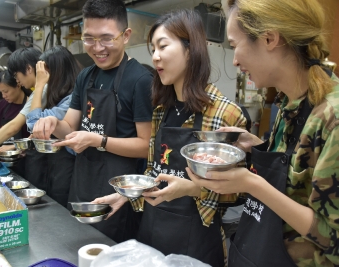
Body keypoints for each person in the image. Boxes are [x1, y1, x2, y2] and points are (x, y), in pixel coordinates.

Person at [188, 0, 339, 266]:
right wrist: (256, 144)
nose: (234, 61)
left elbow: (334, 237)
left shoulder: (332, 119)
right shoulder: (289, 102)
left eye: (235, 46)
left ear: (269, 38)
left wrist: (250, 183)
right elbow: (297, 177)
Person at [92, 9, 247, 266]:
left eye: (163, 46)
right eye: (152, 48)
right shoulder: (161, 110)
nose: (155, 56)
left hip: (196, 240)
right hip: (151, 232)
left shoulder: (225, 113)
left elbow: (238, 191)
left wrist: (193, 189)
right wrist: (128, 194)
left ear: (190, 49)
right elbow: (156, 169)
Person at [31, 0, 153, 243]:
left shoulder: (140, 79)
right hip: (83, 179)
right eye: (89, 39)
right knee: (76, 245)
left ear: (126, 35)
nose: (97, 48)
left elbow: (145, 146)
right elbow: (70, 127)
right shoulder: (86, 76)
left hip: (118, 189)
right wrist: (54, 124)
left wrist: (98, 140)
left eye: (106, 38)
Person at [23, 45, 82, 207]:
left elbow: (34, 123)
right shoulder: (59, 94)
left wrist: (39, 85)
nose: (43, 76)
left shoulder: (72, 99)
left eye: (45, 72)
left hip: (67, 165)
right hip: (54, 164)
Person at [0, 47, 43, 167]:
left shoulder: (43, 90)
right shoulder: (37, 92)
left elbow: (14, 126)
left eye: (16, 75)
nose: (17, 80)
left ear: (29, 69)